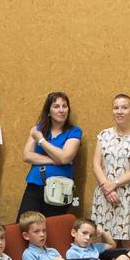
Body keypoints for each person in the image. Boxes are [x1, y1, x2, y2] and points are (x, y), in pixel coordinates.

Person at [21, 91, 83, 219]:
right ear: (48, 111)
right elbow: (27, 155)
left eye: (64, 106)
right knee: (24, 226)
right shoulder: (38, 129)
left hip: (59, 189)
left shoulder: (74, 131)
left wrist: (41, 140)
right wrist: (55, 160)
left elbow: (66, 157)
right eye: (56, 106)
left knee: (53, 230)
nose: (61, 110)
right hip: (34, 185)